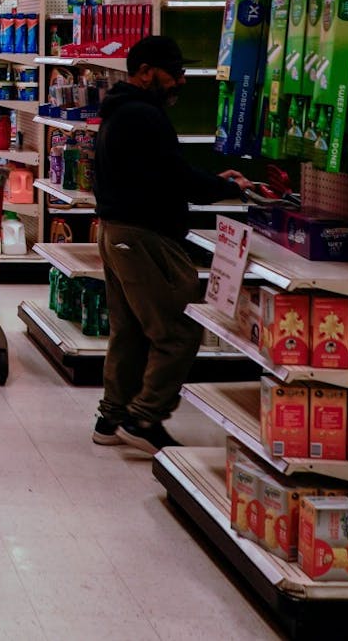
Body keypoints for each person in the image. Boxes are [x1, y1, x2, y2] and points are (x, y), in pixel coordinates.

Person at [91, 35, 252, 454]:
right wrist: (224, 188)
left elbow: (165, 169)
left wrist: (217, 182)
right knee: (178, 331)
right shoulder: (143, 117)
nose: (180, 81)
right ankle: (144, 416)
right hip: (144, 237)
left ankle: (111, 417)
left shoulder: (122, 113)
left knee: (129, 332)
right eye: (173, 73)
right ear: (146, 72)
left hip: (118, 233)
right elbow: (173, 177)